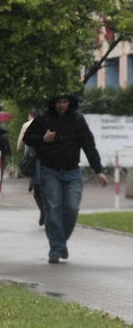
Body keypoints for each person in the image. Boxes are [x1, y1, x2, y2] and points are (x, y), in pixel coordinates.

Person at [24, 94, 108, 264]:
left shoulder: (77, 119)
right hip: (50, 170)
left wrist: (98, 170)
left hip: (72, 171)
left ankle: (60, 243)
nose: (62, 105)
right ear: (53, 103)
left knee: (71, 208)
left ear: (70, 103)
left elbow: (88, 144)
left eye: (65, 102)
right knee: (53, 209)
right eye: (59, 102)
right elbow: (27, 138)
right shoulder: (44, 119)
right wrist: (43, 139)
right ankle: (56, 249)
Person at [17, 110, 44, 226]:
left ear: (30, 116)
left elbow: (20, 145)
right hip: (49, 160)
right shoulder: (49, 124)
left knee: (37, 189)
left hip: (35, 159)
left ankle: (44, 211)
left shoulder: (27, 125)